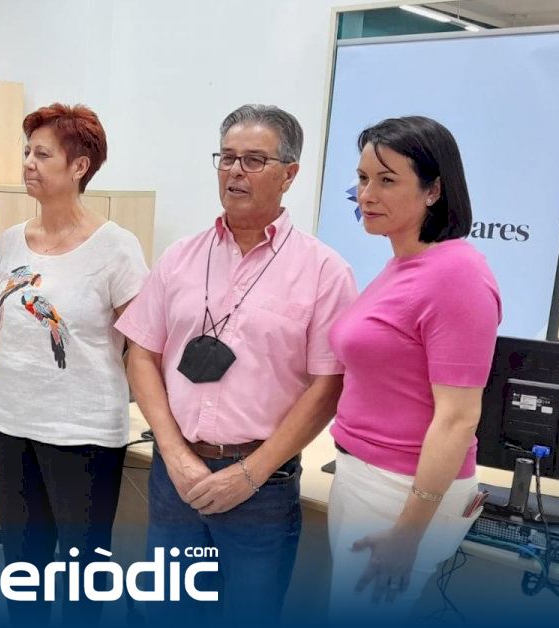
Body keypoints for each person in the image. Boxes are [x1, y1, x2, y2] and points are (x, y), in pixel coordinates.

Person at [115, 104, 357, 621]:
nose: (234, 172)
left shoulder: (324, 271)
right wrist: (174, 453)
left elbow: (328, 386)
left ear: (289, 174)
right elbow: (142, 355)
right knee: (166, 614)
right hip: (176, 474)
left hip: (262, 485)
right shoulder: (181, 256)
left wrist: (250, 474)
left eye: (253, 160)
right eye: (226, 158)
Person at [327, 116, 502, 622]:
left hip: (402, 491)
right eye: (363, 179)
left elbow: (458, 418)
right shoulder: (402, 264)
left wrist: (408, 532)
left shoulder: (456, 274)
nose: (367, 195)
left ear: (434, 191)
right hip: (362, 475)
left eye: (387, 181)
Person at [0, 103, 149, 624]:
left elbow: (143, 346)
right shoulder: (12, 240)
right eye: (27, 152)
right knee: (22, 567)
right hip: (10, 423)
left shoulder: (116, 248)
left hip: (82, 432)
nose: (28, 163)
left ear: (79, 166)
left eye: (42, 154)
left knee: (82, 573)